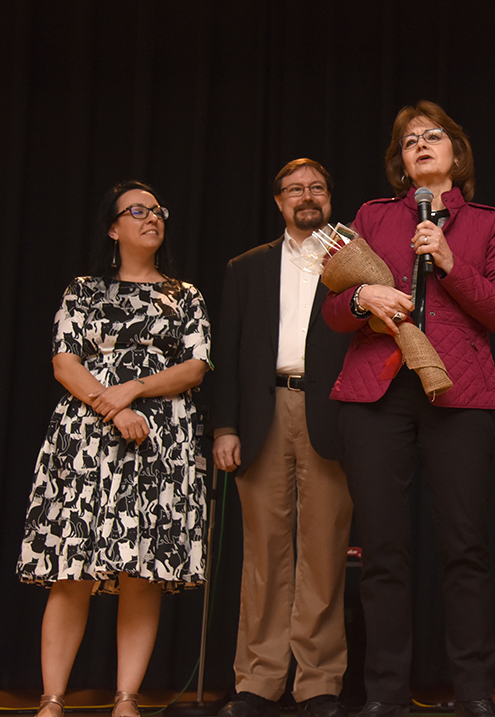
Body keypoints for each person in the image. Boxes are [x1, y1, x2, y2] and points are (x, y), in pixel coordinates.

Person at [322, 101, 495, 717]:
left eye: (433, 137)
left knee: (465, 547)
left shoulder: (488, 223)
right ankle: (385, 695)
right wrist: (361, 298)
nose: (421, 145)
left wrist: (450, 262)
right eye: (410, 141)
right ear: (400, 162)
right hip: (377, 394)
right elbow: (330, 313)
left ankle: (474, 692)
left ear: (456, 154)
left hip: (458, 395)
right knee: (383, 551)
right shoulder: (370, 217)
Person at [18, 181, 211, 717]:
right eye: (138, 210)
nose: (152, 218)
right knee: (72, 567)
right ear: (113, 227)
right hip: (85, 439)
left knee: (141, 571)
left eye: (157, 211)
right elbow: (65, 363)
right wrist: (115, 406)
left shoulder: (185, 295)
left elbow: (195, 367)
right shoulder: (83, 290)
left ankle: (127, 697)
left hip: (162, 442)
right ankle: (52, 698)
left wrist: (137, 390)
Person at [210, 159, 353, 717]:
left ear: (329, 197)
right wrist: (224, 426)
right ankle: (258, 680)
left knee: (323, 552)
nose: (307, 196)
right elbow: (230, 351)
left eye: (317, 187)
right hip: (262, 414)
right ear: (278, 202)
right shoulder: (246, 268)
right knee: (264, 553)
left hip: (331, 415)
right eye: (295, 189)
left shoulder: (353, 260)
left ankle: (319, 683)